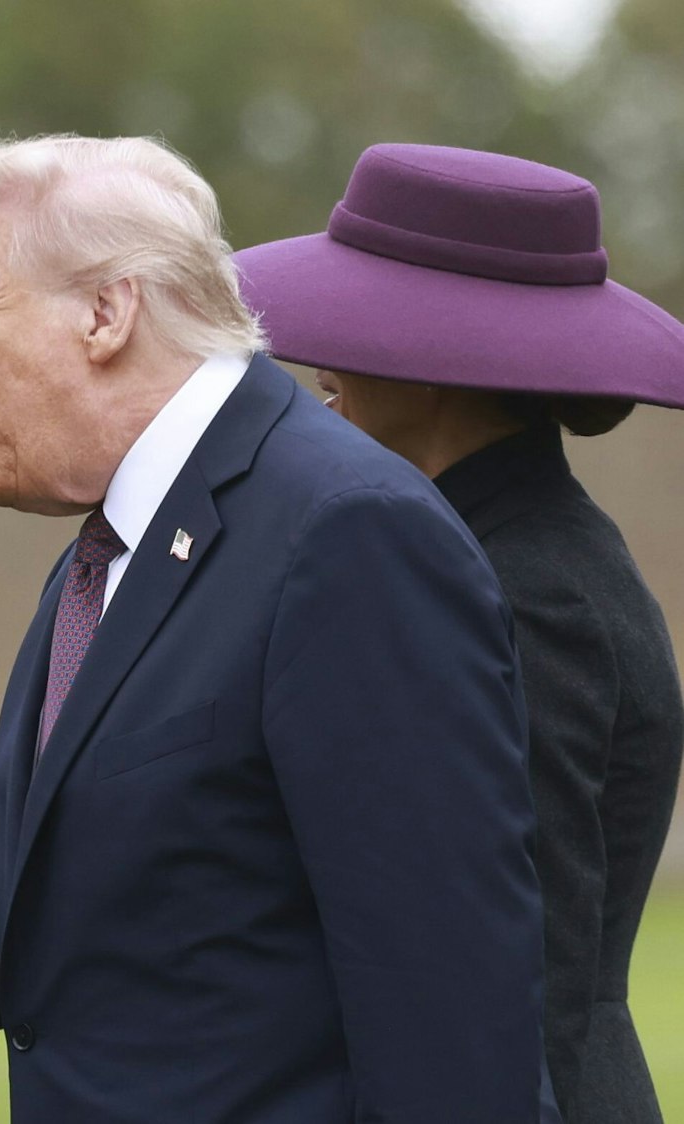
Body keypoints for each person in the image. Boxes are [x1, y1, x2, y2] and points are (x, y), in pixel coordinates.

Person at [0, 133, 561, 1121]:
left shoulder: (344, 533)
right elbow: (51, 891)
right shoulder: (123, 543)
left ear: (107, 312)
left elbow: (446, 1001)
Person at [234, 142, 684, 1124]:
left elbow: (506, 970)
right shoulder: (476, 550)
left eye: (351, 328)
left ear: (438, 356)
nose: (321, 370)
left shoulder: (528, 591)